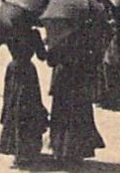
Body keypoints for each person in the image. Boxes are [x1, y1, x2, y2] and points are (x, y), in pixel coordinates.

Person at [46, 29, 106, 164]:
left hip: (62, 80)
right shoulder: (87, 35)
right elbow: (95, 60)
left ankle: (60, 151)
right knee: (79, 115)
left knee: (62, 114)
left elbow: (50, 60)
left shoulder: (59, 35)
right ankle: (76, 152)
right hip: (80, 81)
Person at [0, 25, 48, 167]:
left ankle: (14, 148)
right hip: (28, 72)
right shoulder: (33, 34)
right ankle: (27, 150)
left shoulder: (9, 31)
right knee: (29, 108)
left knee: (12, 105)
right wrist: (42, 43)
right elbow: (42, 56)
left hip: (13, 69)